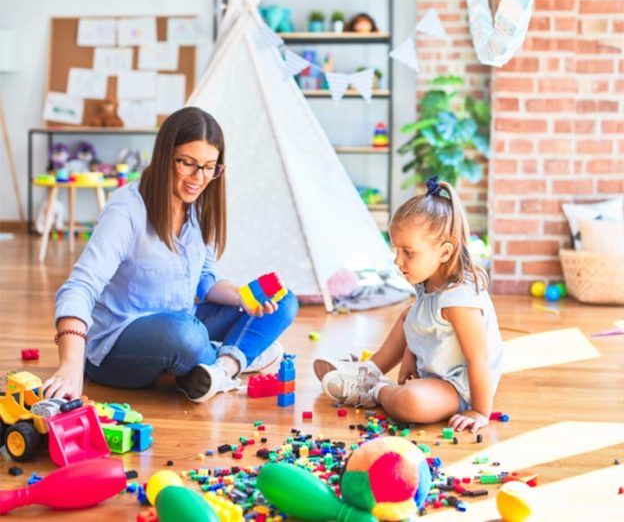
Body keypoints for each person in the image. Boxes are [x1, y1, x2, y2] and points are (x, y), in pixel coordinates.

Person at [43, 107, 298, 403]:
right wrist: (71, 364)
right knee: (187, 335)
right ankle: (238, 353)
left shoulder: (200, 206)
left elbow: (203, 280)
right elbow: (79, 287)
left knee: (284, 300)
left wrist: (242, 297)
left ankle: (223, 368)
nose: (198, 178)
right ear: (165, 156)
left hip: (181, 322)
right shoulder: (126, 211)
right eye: (187, 164)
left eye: (209, 167)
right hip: (119, 344)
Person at [313, 177, 502, 433]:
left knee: (411, 402)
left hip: (460, 387)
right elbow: (418, 322)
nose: (398, 261)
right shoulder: (429, 281)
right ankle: (369, 370)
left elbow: (479, 358)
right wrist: (409, 358)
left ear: (445, 253)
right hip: (435, 375)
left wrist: (479, 410)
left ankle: (375, 390)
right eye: (396, 250)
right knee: (408, 314)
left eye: (408, 252)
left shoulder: (460, 301)